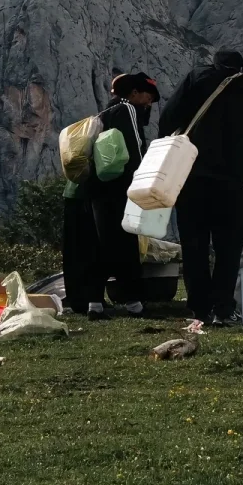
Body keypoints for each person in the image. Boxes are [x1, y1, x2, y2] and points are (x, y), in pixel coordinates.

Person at [159, 48, 243, 327]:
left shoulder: (196, 79)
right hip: (229, 182)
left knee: (194, 245)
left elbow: (167, 119)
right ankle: (223, 308)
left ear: (215, 63)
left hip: (192, 179)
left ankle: (199, 309)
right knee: (228, 248)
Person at [84, 71, 160, 319]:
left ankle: (95, 303)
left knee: (101, 244)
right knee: (127, 242)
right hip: (120, 188)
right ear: (135, 93)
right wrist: (144, 179)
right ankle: (134, 303)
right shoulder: (127, 109)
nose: (149, 103)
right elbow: (137, 149)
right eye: (149, 96)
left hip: (98, 189)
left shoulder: (102, 114)